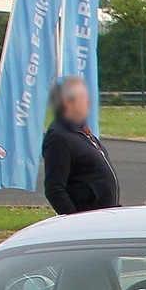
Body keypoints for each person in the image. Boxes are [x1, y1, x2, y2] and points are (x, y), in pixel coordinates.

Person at [39, 76, 119, 214]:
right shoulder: (59, 137)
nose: (88, 102)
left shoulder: (81, 131)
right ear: (68, 103)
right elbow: (55, 189)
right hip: (87, 220)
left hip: (104, 216)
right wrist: (74, 220)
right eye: (83, 97)